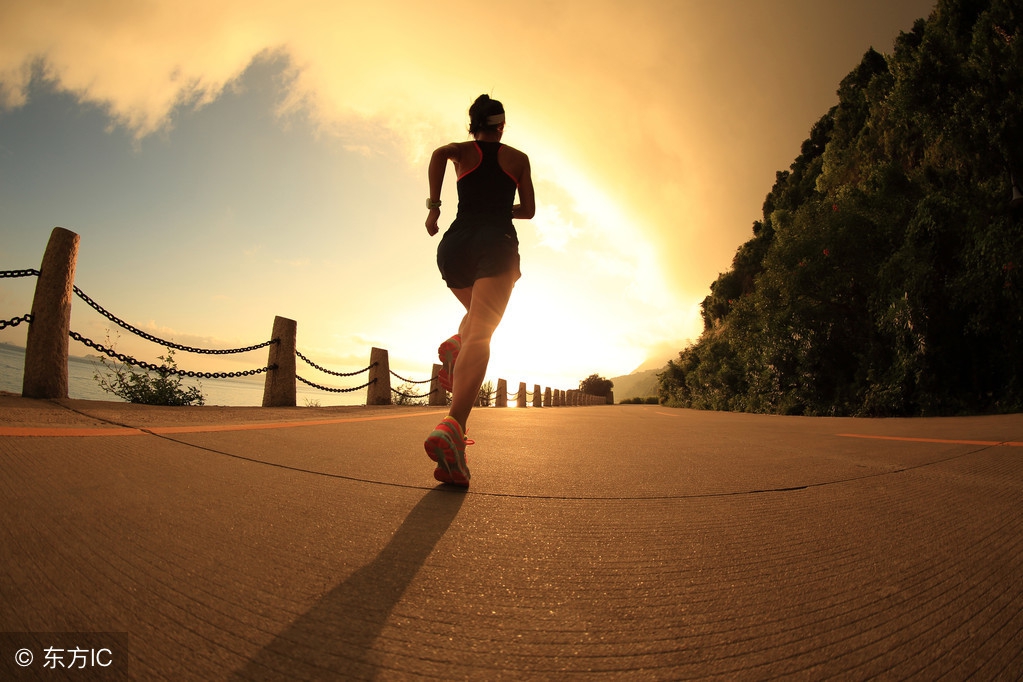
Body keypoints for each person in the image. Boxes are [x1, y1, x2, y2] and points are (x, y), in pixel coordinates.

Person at [423, 94, 535, 486]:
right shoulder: (517, 159)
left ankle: (459, 344)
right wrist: (503, 209)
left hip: (456, 245)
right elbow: (529, 210)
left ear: (474, 126)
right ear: (502, 126)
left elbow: (438, 153)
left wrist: (434, 206)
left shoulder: (461, 152)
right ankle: (453, 426)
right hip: (496, 244)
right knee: (483, 332)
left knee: (477, 320)